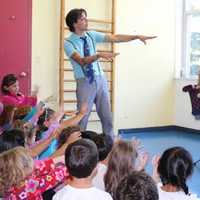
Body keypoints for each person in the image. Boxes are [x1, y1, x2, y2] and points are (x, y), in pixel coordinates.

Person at [64, 8, 156, 139]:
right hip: (84, 82)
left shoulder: (91, 35)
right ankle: (78, 146)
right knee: (82, 118)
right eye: (82, 19)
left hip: (100, 79)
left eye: (86, 18)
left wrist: (136, 36)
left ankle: (110, 144)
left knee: (107, 116)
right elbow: (82, 61)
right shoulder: (68, 43)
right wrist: (99, 55)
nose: (86, 21)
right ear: (74, 23)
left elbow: (115, 37)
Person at [0, 146, 68, 200]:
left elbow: (39, 168)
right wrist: (69, 165)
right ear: (23, 170)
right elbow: (54, 177)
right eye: (31, 159)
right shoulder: (28, 187)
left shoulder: (13, 179)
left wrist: (60, 159)